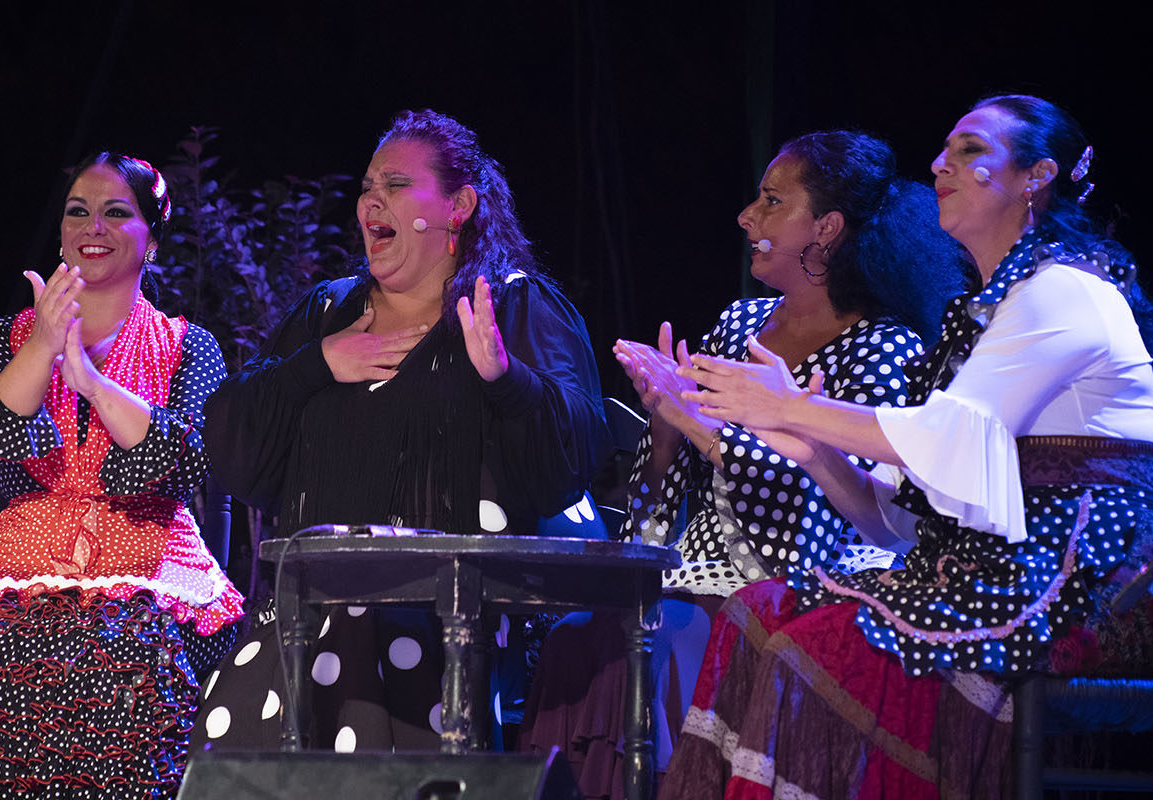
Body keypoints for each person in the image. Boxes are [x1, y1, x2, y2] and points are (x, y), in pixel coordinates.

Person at [659, 95, 1153, 800]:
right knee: (758, 610)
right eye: (945, 149)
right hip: (991, 563)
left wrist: (793, 405)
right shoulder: (992, 308)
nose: (939, 165)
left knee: (814, 651)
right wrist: (806, 444)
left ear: (1036, 176)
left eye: (970, 150)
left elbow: (948, 438)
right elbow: (905, 521)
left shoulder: (1065, 291)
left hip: (1080, 581)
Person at [517, 131, 968, 797]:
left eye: (771, 201)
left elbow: (828, 511)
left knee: (654, 641)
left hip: (796, 586)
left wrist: (707, 432)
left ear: (827, 228)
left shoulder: (883, 349)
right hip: (685, 578)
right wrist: (666, 429)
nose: (745, 215)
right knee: (575, 639)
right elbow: (658, 509)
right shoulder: (739, 325)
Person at [193, 109, 610, 754]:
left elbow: (573, 457)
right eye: (366, 188)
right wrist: (317, 365)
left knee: (362, 631)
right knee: (278, 670)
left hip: (458, 618)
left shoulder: (515, 306)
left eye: (394, 185)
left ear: (459, 206)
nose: (370, 204)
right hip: (307, 617)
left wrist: (505, 378)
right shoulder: (328, 312)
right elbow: (230, 444)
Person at [0, 154, 244, 799]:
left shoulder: (190, 346)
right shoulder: (10, 336)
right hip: (24, 554)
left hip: (147, 558)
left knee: (121, 653)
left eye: (115, 212)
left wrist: (93, 382)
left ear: (152, 240)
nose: (92, 226)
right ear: (60, 234)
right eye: (78, 211)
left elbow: (184, 460)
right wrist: (45, 345)